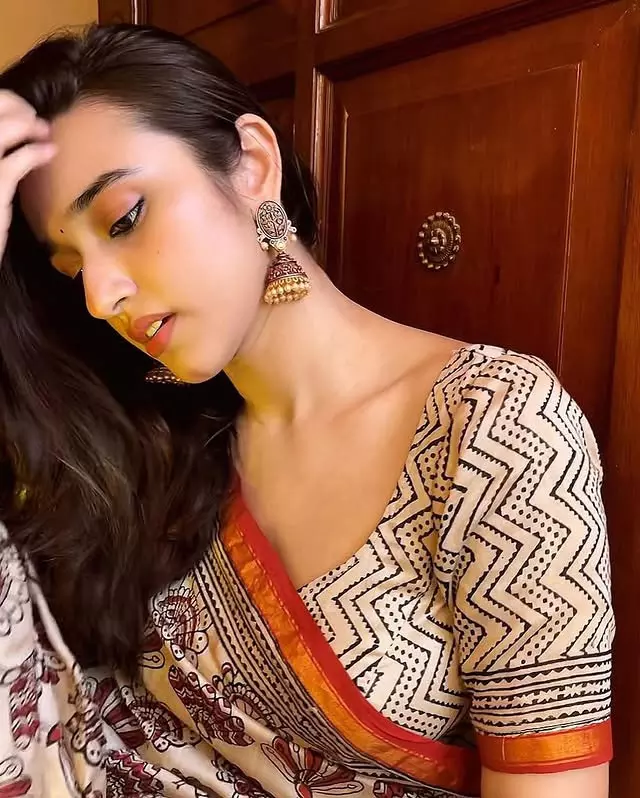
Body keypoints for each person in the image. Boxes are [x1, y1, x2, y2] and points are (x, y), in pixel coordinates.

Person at [0, 23, 613, 798]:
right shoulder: (145, 440)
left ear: (253, 164)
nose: (99, 296)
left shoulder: (493, 426)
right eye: (71, 268)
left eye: (125, 219)